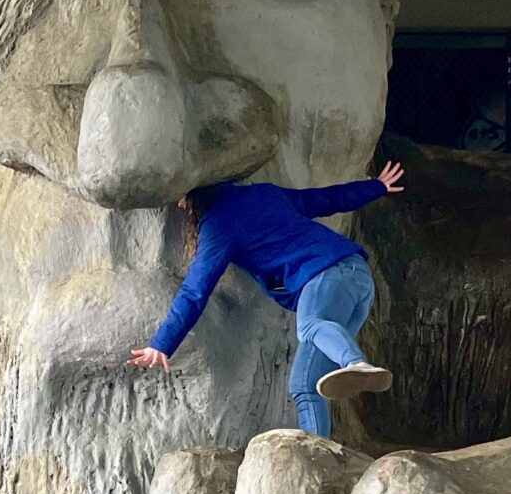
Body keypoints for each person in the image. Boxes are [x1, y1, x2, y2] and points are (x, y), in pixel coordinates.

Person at [129, 162, 405, 435]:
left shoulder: (218, 226)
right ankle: (319, 455)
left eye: (182, 202)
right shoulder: (264, 193)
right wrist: (376, 187)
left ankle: (355, 363)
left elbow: (194, 291)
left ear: (194, 201)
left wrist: (162, 344)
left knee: (309, 326)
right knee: (304, 384)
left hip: (327, 275)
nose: (180, 207)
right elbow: (322, 199)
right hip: (358, 277)